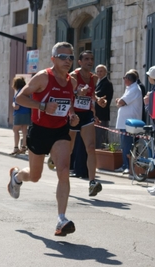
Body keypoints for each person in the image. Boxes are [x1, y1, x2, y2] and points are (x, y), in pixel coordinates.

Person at [7, 42, 80, 236]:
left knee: (64, 171)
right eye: (63, 57)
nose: (68, 61)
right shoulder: (43, 77)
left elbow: (69, 104)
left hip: (60, 131)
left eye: (71, 57)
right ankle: (17, 177)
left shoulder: (71, 82)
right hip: (39, 131)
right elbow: (20, 99)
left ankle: (61, 219)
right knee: (35, 176)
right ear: (53, 59)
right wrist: (42, 107)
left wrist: (72, 115)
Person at [69, 51, 103, 195]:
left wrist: (98, 101)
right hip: (73, 114)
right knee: (68, 150)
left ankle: (92, 182)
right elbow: (67, 95)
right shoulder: (73, 77)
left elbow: (91, 95)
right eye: (86, 59)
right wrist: (78, 93)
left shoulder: (94, 78)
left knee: (90, 147)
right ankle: (63, 179)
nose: (90, 61)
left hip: (86, 114)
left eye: (92, 59)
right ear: (80, 62)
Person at [115, 71, 143, 174]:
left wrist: (119, 102)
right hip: (125, 123)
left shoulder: (134, 89)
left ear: (128, 79)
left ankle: (128, 166)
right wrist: (119, 102)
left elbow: (121, 102)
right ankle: (125, 165)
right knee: (124, 145)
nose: (123, 80)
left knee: (127, 145)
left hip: (130, 123)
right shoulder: (130, 88)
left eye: (124, 78)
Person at [10, 76, 31, 155]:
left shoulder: (19, 92)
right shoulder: (25, 92)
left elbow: (17, 105)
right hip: (26, 112)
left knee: (15, 130)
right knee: (24, 130)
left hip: (19, 113)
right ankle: (23, 147)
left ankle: (16, 147)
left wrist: (14, 105)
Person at [94, 64, 113, 149]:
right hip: (96, 114)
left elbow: (100, 94)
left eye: (101, 71)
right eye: (97, 71)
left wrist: (90, 92)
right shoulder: (98, 82)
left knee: (100, 138)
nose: (99, 73)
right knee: (95, 138)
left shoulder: (107, 83)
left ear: (105, 72)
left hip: (102, 115)